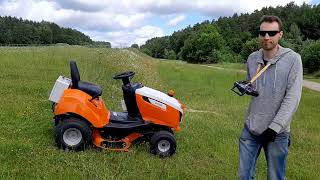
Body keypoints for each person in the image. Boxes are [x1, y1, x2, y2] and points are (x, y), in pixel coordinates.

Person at [238, 15, 303, 180]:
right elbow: (256, 87)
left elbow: (293, 97)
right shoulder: (252, 58)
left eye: (272, 33)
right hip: (251, 128)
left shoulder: (293, 59)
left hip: (277, 132)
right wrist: (247, 87)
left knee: (275, 176)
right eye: (263, 33)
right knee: (244, 176)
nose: (266, 37)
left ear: (280, 34)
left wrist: (275, 127)